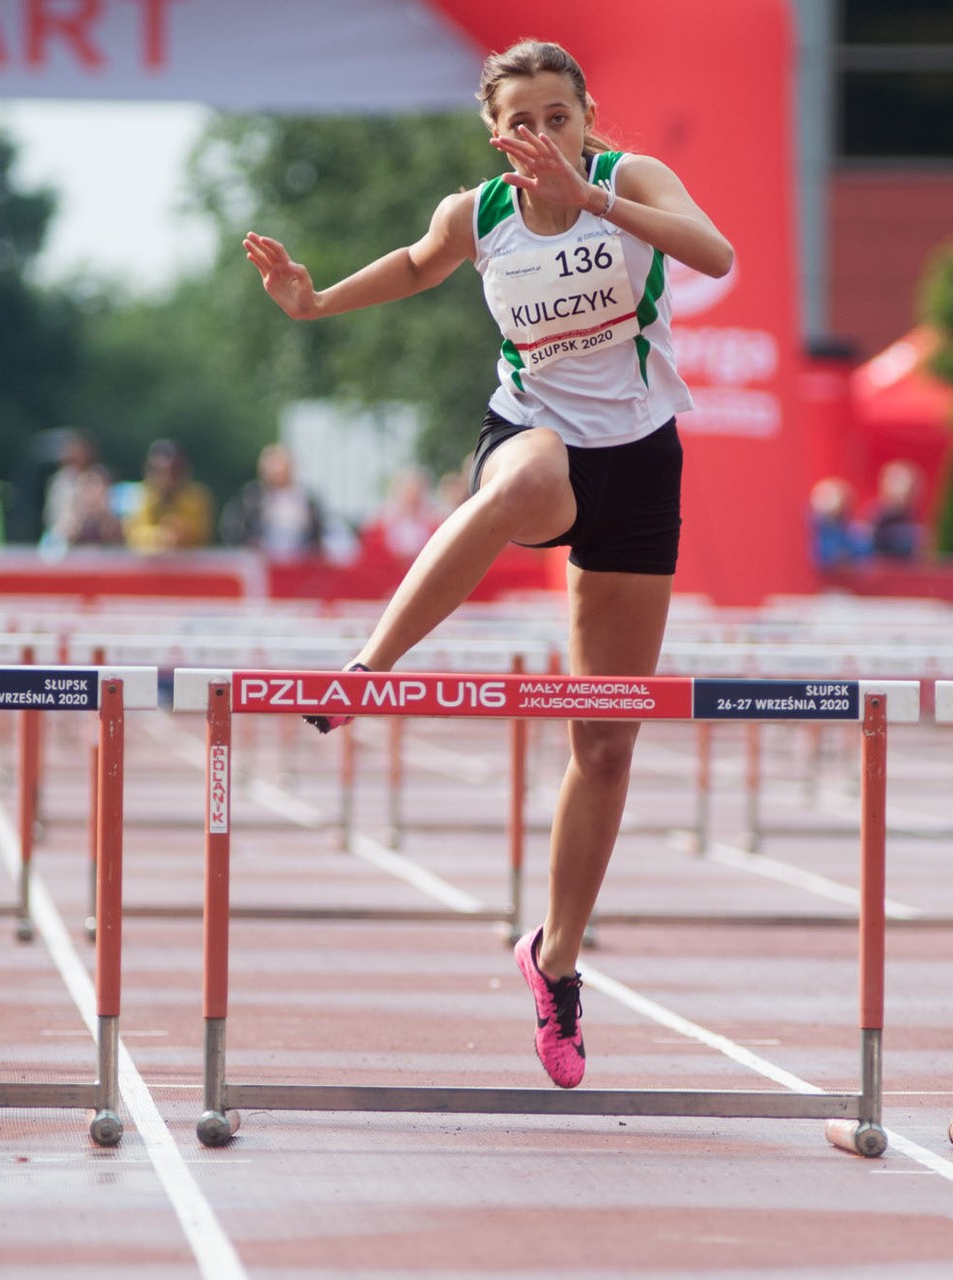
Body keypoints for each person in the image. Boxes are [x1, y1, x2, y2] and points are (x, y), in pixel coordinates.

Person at [243, 38, 733, 1088]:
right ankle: (367, 665)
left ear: (585, 117)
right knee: (518, 481)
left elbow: (716, 253)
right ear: (495, 132)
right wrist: (314, 299)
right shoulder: (479, 213)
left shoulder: (626, 179)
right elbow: (420, 265)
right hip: (533, 433)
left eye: (560, 117)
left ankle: (554, 961)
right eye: (523, 123)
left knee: (605, 738)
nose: (544, 138)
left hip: (640, 463)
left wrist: (595, 202)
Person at [219, 441, 325, 562]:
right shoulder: (250, 498)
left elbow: (319, 535)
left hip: (299, 566)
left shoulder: (307, 501)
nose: (276, 476)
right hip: (261, 564)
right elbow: (231, 528)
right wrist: (249, 546)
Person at [123, 438, 213, 553]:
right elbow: (132, 535)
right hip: (145, 567)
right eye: (161, 471)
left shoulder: (198, 497)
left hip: (188, 566)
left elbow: (204, 535)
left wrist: (182, 532)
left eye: (175, 471)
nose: (168, 478)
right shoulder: (136, 496)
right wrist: (161, 536)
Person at [806, 475, 869, 573]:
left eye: (829, 496)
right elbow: (825, 557)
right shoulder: (815, 528)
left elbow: (863, 554)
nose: (824, 501)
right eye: (821, 495)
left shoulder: (850, 529)